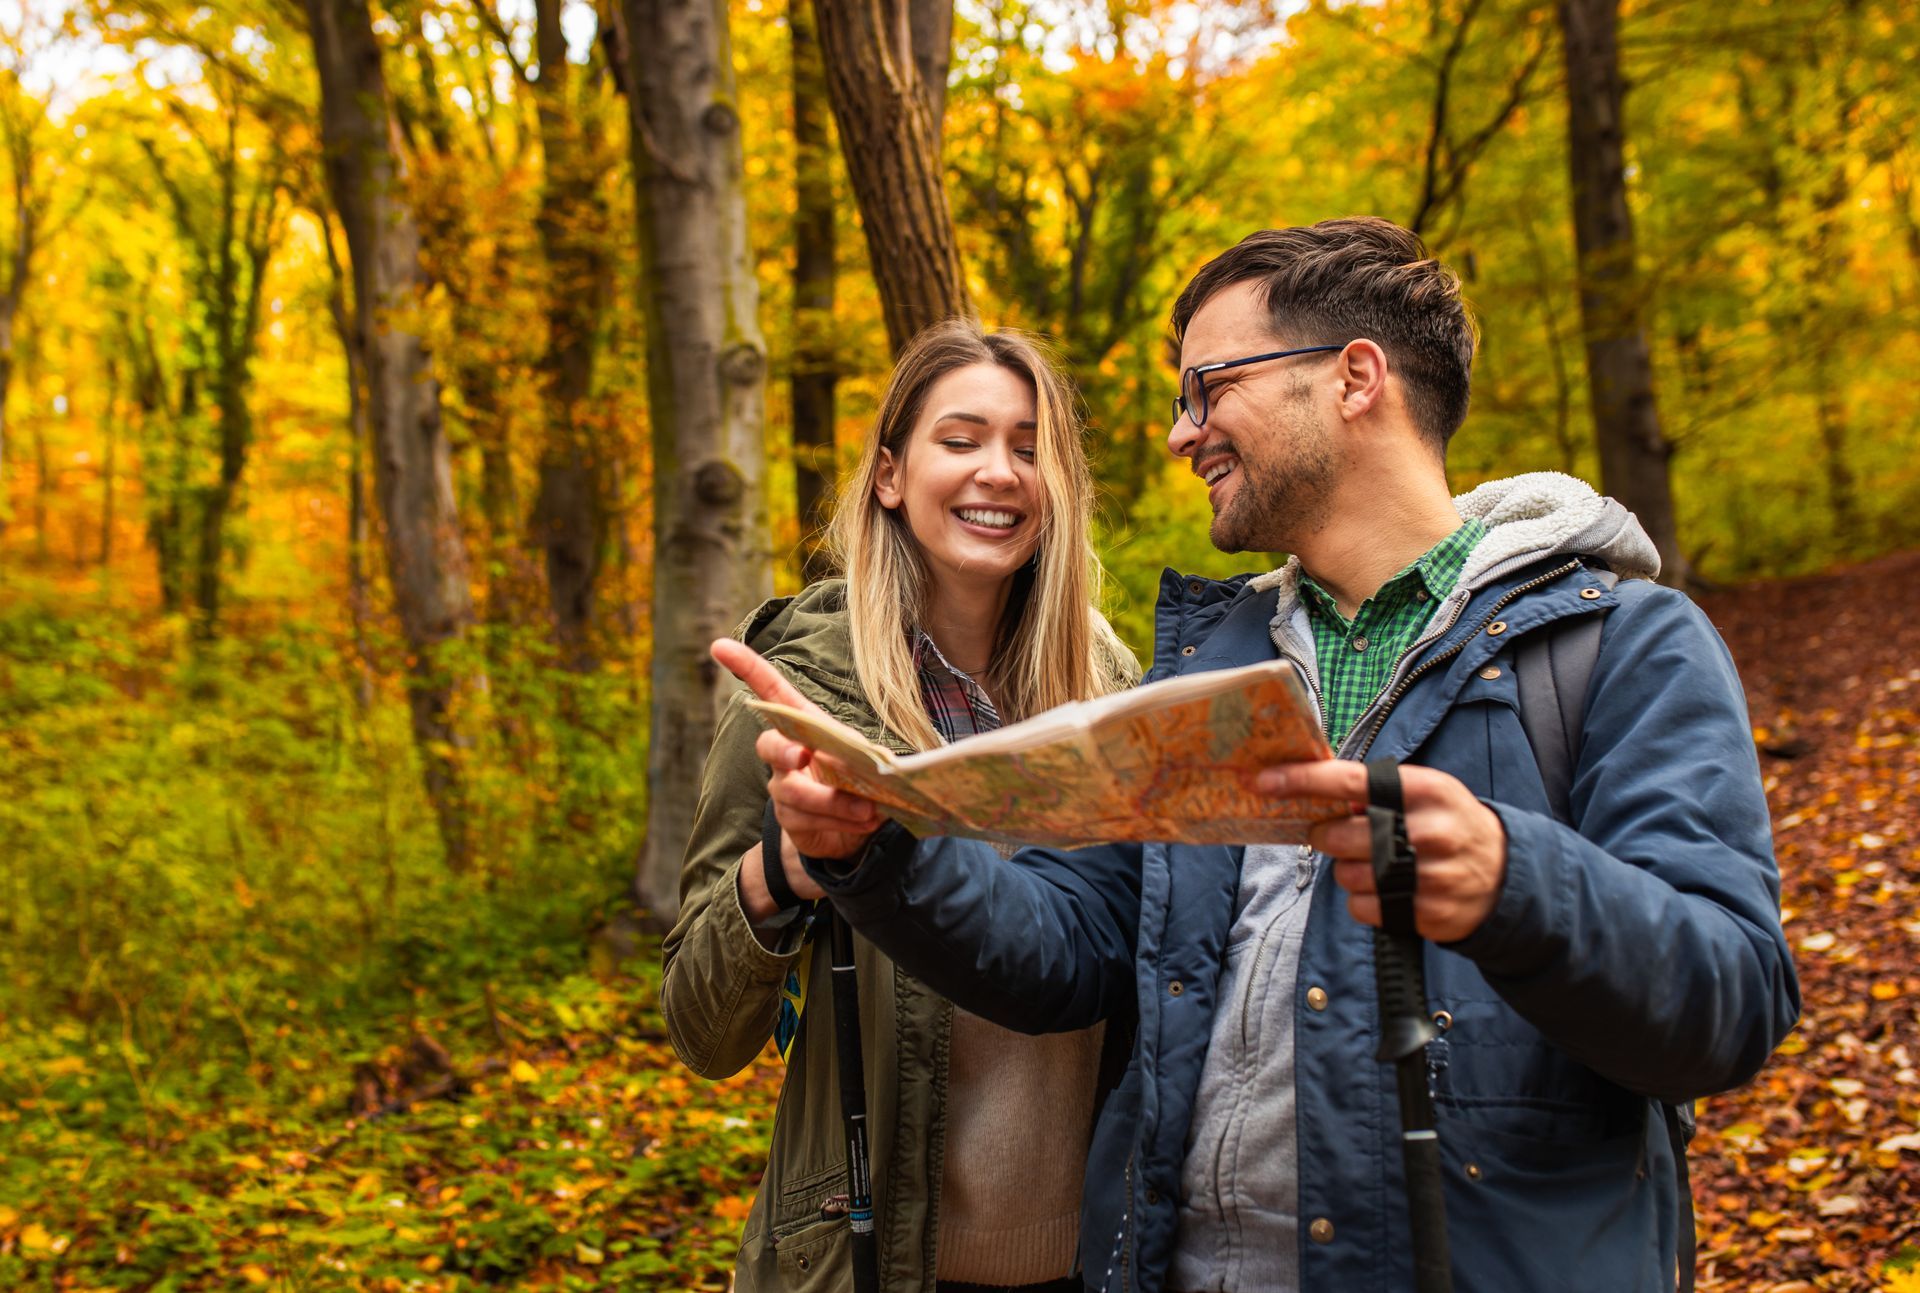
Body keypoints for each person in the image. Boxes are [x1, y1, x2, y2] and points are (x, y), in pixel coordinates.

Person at [722, 218, 1800, 1292]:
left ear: (1354, 379)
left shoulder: (1621, 646)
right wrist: (875, 849)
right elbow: (1064, 944)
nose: (1184, 434)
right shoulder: (1210, 670)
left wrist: (1521, 883)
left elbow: (1733, 1000)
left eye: (1208, 388)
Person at [663, 319, 1138, 1293]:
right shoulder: (806, 692)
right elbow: (702, 1032)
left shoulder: (1115, 686)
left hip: (1097, 1263)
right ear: (889, 475)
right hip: (873, 1266)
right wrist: (782, 870)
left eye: (1028, 447)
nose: (998, 472)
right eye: (960, 441)